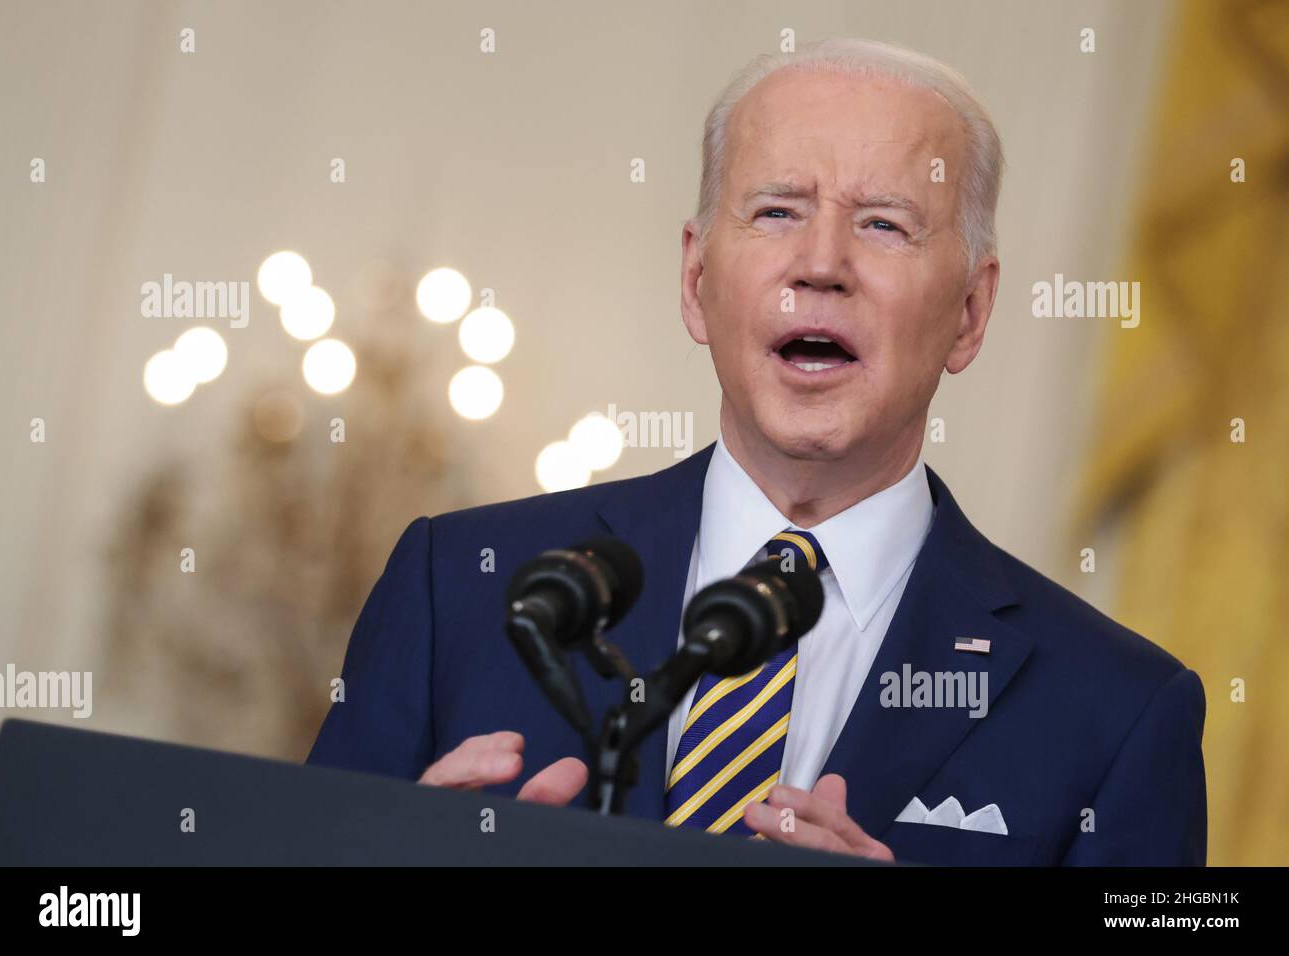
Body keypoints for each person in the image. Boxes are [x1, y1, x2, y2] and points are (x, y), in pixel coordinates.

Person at [308, 37, 1206, 865]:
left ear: (970, 312)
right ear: (697, 284)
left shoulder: (1118, 711)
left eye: (885, 225)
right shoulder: (459, 584)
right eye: (776, 212)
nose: (821, 264)